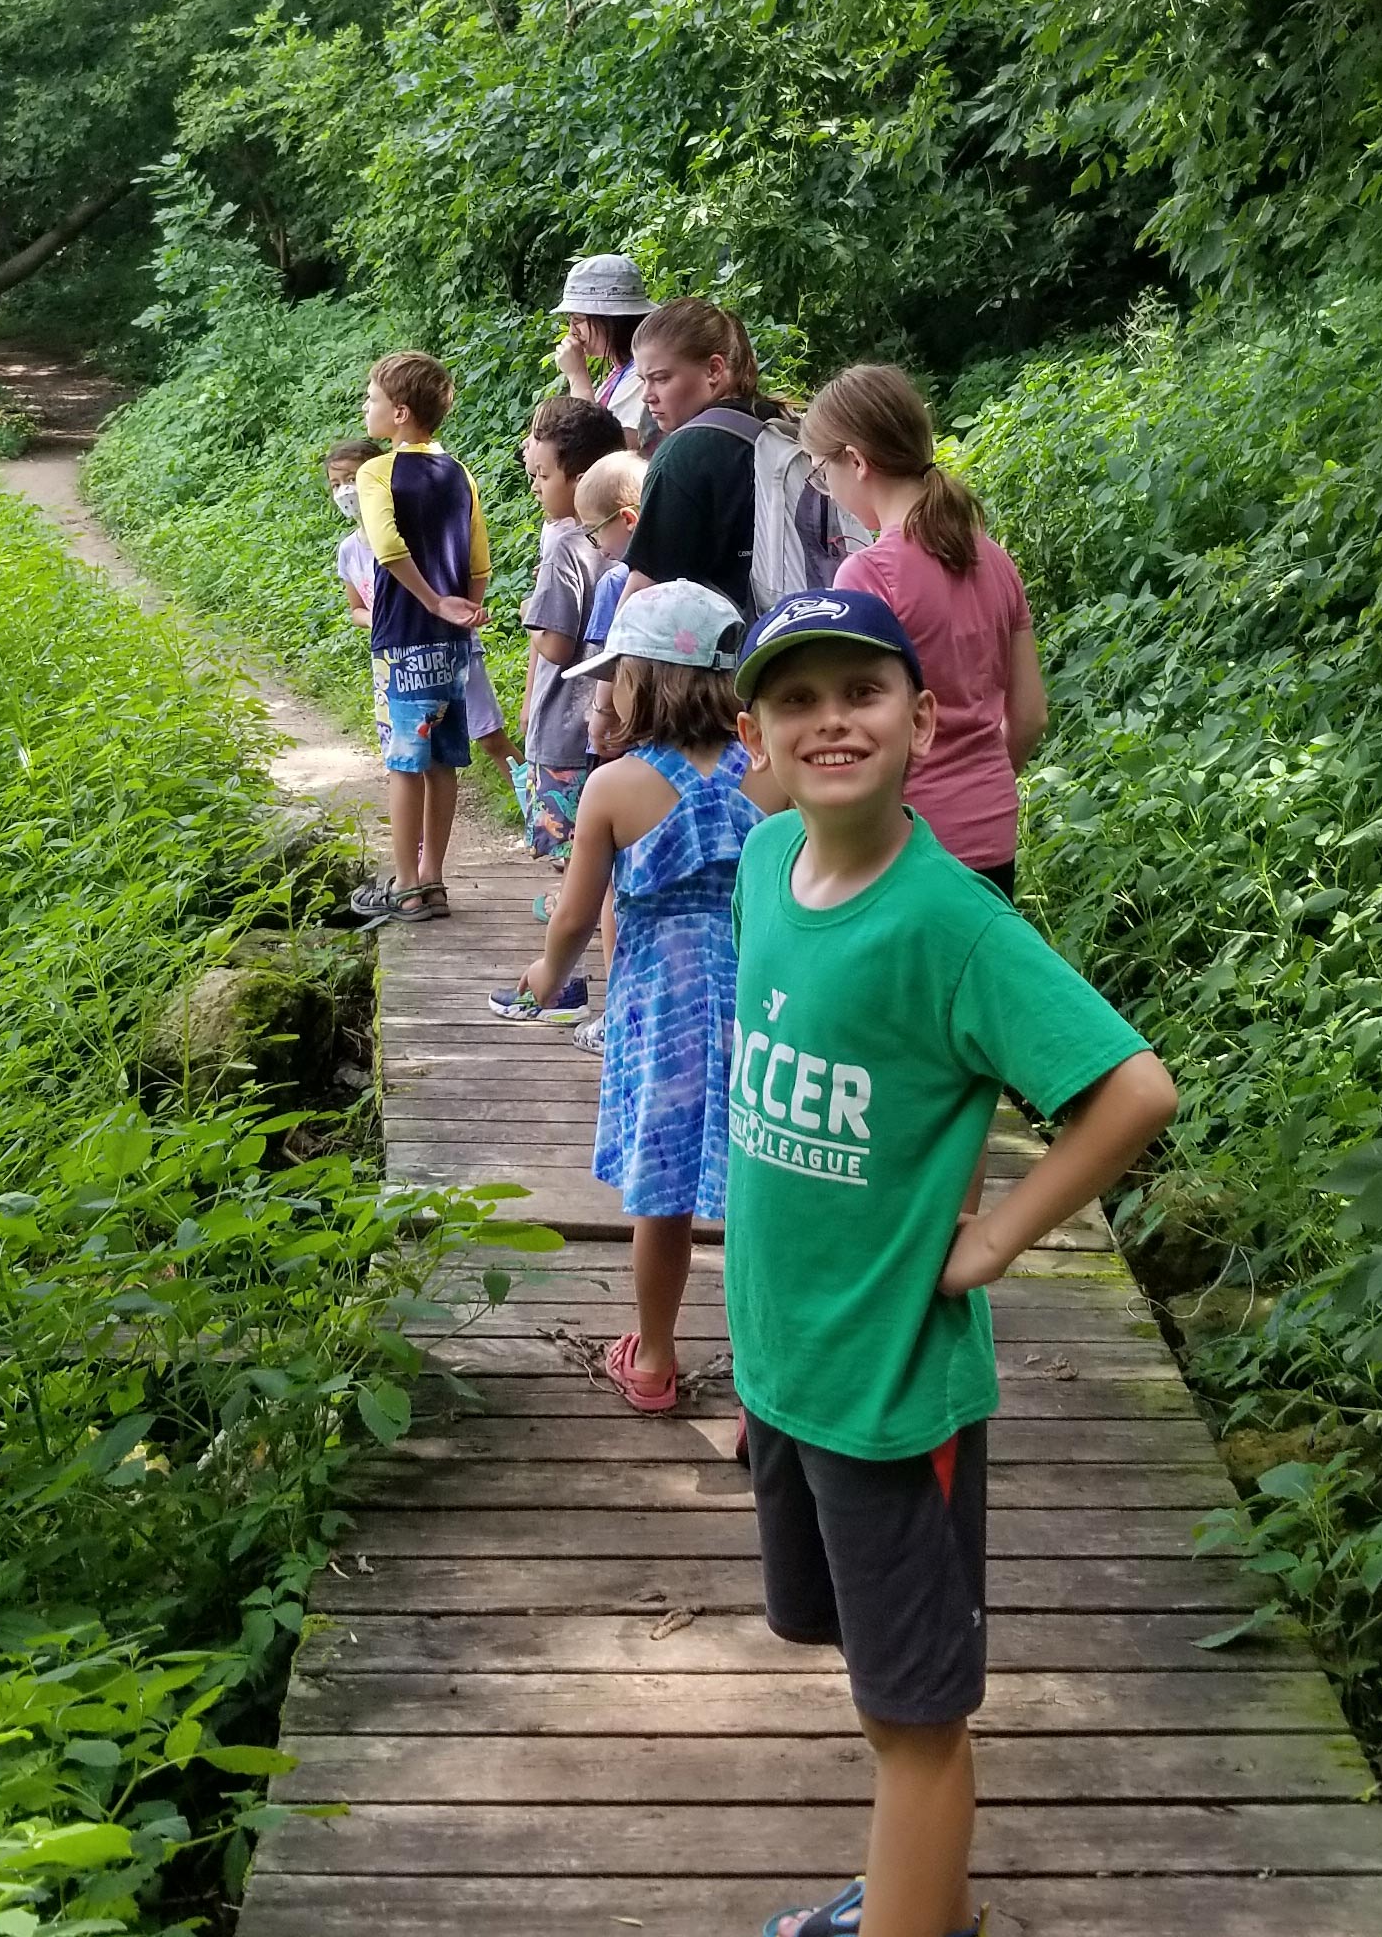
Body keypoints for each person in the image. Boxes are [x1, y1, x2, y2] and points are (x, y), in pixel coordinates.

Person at [727, 588, 1178, 1937]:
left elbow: (1132, 1092)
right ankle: (916, 1894)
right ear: (755, 735)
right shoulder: (764, 864)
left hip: (887, 1387)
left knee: (918, 1715)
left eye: (860, 692)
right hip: (786, 1358)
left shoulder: (955, 925)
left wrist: (989, 1239)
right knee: (877, 1684)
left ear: (925, 722)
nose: (829, 723)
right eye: (796, 701)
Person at [489, 582, 784, 1411]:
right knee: (764, 1190)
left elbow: (578, 913)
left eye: (614, 673)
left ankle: (654, 1358)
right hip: (765, 1007)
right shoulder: (773, 775)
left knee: (664, 1200)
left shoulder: (614, 787)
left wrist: (548, 975)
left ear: (643, 681)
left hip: (662, 1015)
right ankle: (774, 1373)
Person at [803, 364, 1047, 900]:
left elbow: (855, 723)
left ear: (857, 461)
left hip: (905, 838)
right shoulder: (995, 560)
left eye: (822, 471)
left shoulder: (866, 575)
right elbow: (1029, 716)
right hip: (992, 828)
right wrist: (975, 785)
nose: (827, 488)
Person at [351, 350, 490, 927]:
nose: (367, 406)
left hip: (403, 638)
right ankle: (434, 878)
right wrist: (465, 609)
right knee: (443, 762)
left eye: (373, 398)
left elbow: (385, 547)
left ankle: (405, 885)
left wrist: (432, 600)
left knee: (404, 763)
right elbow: (479, 558)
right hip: (451, 644)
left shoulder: (376, 472)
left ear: (401, 413)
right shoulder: (460, 473)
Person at [558, 448, 649, 1055]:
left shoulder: (623, 580)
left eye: (594, 532)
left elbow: (603, 662)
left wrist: (601, 715)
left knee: (618, 882)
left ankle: (618, 1007)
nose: (595, 545)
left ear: (627, 518)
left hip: (627, 748)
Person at [519, 396, 626, 877]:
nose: (536, 487)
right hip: (614, 718)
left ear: (580, 480)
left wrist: (528, 613)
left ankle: (574, 911)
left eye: (543, 476)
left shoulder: (566, 546)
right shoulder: (629, 536)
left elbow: (556, 645)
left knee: (573, 845)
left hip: (565, 723)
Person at [620, 297, 783, 613]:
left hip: (730, 652)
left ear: (714, 369)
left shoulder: (684, 454)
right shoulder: (778, 424)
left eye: (662, 378)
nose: (646, 395)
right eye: (643, 380)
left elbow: (645, 592)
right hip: (801, 632)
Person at [551, 253, 656, 451]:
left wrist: (577, 376)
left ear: (609, 320)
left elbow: (600, 449)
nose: (572, 330)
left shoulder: (641, 376)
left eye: (578, 320)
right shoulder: (620, 371)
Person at [326, 436, 384, 631]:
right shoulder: (348, 550)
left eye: (352, 479)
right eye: (336, 484)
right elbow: (357, 609)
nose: (345, 490)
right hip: (387, 648)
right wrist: (372, 619)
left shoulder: (406, 535)